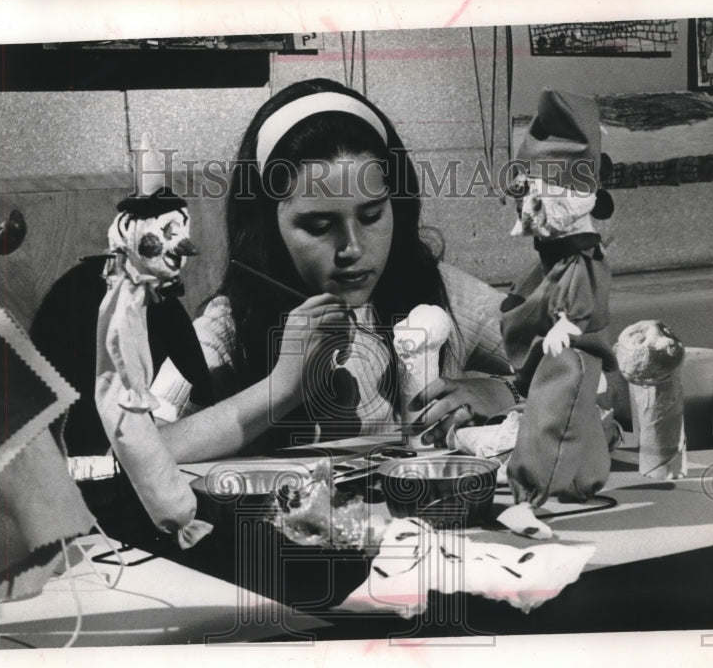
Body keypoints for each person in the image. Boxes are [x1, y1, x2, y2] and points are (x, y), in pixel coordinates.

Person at [156, 78, 520, 461]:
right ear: (269, 228)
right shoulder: (230, 326)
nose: (353, 248)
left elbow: (577, 362)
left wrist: (501, 391)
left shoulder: (439, 288)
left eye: (371, 215)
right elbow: (136, 453)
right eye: (319, 227)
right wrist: (281, 388)